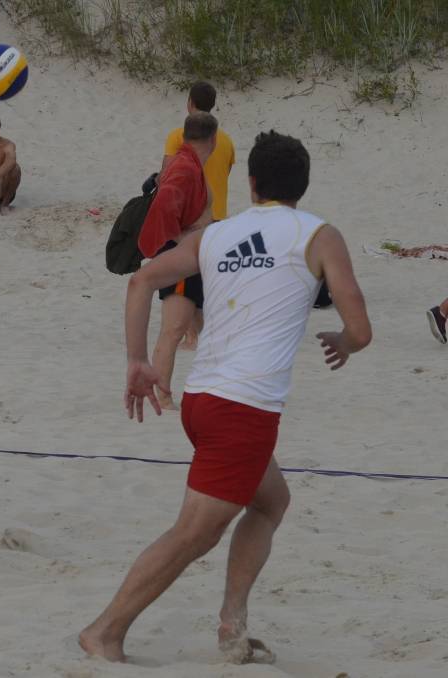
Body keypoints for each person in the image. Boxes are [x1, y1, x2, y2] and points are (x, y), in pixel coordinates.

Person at [79, 130, 372, 664]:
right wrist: (344, 342)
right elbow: (361, 329)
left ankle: (232, 624)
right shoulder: (319, 235)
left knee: (271, 501)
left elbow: (140, 282)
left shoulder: (216, 234)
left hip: (201, 401)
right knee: (193, 535)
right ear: (303, 186)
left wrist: (137, 359)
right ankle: (104, 632)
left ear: (252, 183)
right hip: (243, 408)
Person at [140, 112, 216, 410]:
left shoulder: (188, 163)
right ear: (213, 139)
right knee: (172, 330)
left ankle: (216, 391)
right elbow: (163, 207)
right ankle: (163, 398)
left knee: (207, 326)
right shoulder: (184, 167)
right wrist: (181, 238)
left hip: (194, 258)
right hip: (182, 259)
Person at [163, 81, 236, 221]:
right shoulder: (226, 141)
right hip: (218, 219)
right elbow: (224, 174)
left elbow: (166, 177)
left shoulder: (177, 136)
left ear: (190, 102)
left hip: (190, 220)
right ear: (212, 105)